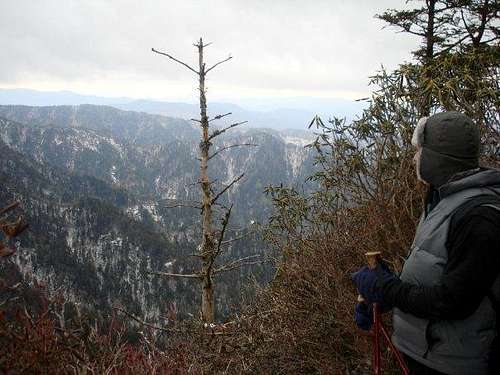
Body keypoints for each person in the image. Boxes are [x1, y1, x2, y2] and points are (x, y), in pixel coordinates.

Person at [352, 112, 500, 375]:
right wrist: (385, 296)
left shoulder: (479, 218)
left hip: (455, 364)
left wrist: (388, 289)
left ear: (436, 159)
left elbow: (452, 301)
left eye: (420, 151)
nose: (414, 158)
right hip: (431, 355)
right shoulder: (444, 200)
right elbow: (434, 277)